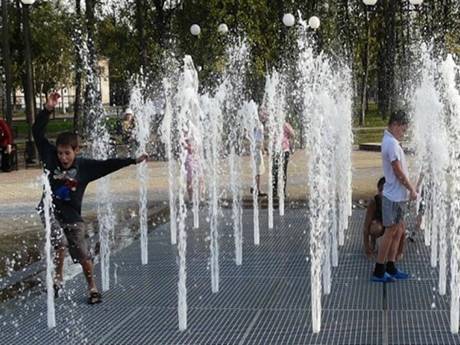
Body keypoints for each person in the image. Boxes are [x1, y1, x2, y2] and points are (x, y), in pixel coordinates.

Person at [33, 92, 148, 304]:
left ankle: (92, 287)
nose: (63, 158)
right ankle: (57, 280)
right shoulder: (50, 157)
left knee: (83, 255)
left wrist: (133, 160)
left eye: (67, 153)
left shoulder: (85, 166)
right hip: (49, 210)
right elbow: (37, 133)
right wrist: (48, 109)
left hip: (72, 215)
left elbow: (107, 164)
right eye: (60, 153)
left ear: (76, 151)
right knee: (59, 243)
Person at [371, 110, 417, 283]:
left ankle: (390, 266)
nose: (403, 133)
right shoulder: (390, 143)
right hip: (392, 196)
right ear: (395, 124)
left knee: (398, 231)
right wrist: (412, 188)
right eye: (403, 130)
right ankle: (379, 270)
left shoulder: (392, 141)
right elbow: (397, 170)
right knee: (390, 232)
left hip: (398, 196)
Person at [363, 177, 386, 258]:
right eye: (381, 190)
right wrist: (367, 247)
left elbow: (401, 227)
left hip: (390, 226)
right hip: (379, 224)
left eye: (385, 190)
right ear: (378, 191)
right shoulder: (374, 202)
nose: (383, 193)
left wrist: (400, 251)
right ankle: (373, 240)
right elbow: (366, 227)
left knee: (398, 228)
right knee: (375, 228)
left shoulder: (394, 200)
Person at [273, 121, 295, 198]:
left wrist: (291, 144)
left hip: (284, 150)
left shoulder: (285, 125)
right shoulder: (274, 124)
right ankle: (275, 191)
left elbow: (293, 134)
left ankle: (282, 191)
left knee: (282, 172)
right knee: (275, 172)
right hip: (276, 151)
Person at [250, 116, 267, 197]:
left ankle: (254, 187)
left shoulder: (256, 125)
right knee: (258, 170)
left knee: (256, 170)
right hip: (257, 150)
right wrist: (262, 150)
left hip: (255, 150)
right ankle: (256, 189)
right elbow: (259, 140)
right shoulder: (259, 125)